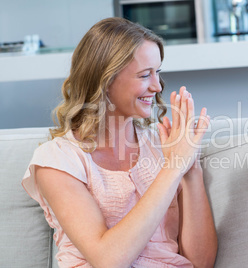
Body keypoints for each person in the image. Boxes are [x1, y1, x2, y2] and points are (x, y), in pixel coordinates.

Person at [22, 17, 217, 268]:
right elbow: (108, 260)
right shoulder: (58, 160)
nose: (157, 86)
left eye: (157, 72)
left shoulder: (165, 145)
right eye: (145, 75)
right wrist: (173, 168)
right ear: (105, 80)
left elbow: (201, 263)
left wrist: (190, 168)